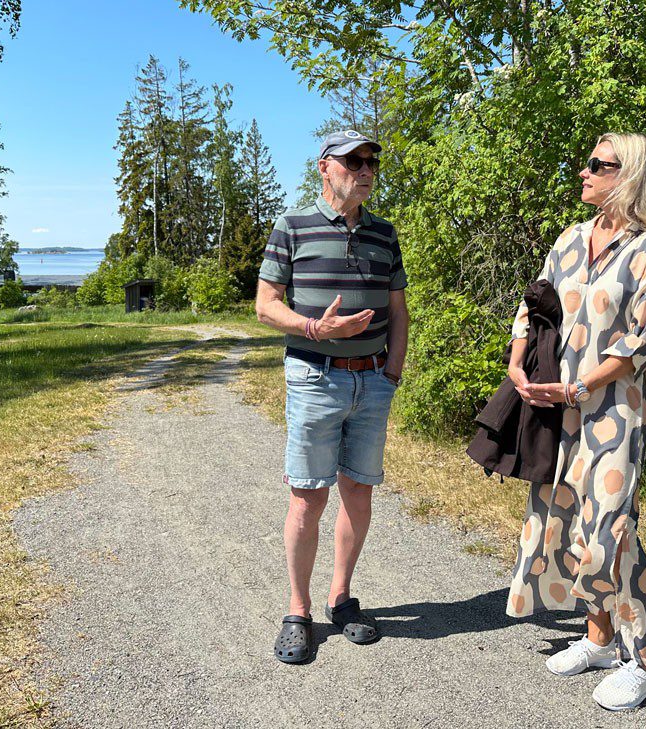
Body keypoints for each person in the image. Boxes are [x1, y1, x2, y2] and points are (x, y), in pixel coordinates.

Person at [504, 133, 646, 710]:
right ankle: (600, 638)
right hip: (560, 408)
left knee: (611, 530)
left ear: (628, 175)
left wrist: (582, 384)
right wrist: (516, 354)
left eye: (596, 166)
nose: (582, 172)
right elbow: (537, 305)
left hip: (614, 410)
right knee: (573, 521)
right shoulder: (571, 238)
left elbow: (641, 342)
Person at [256, 130, 409, 663]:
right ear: (325, 167)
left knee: (358, 492)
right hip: (314, 376)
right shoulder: (291, 226)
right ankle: (297, 611)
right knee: (307, 497)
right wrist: (316, 330)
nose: (365, 170)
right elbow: (265, 306)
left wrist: (392, 368)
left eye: (370, 162)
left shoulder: (385, 234)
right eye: (353, 161)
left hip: (373, 381)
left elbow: (399, 309)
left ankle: (340, 599)